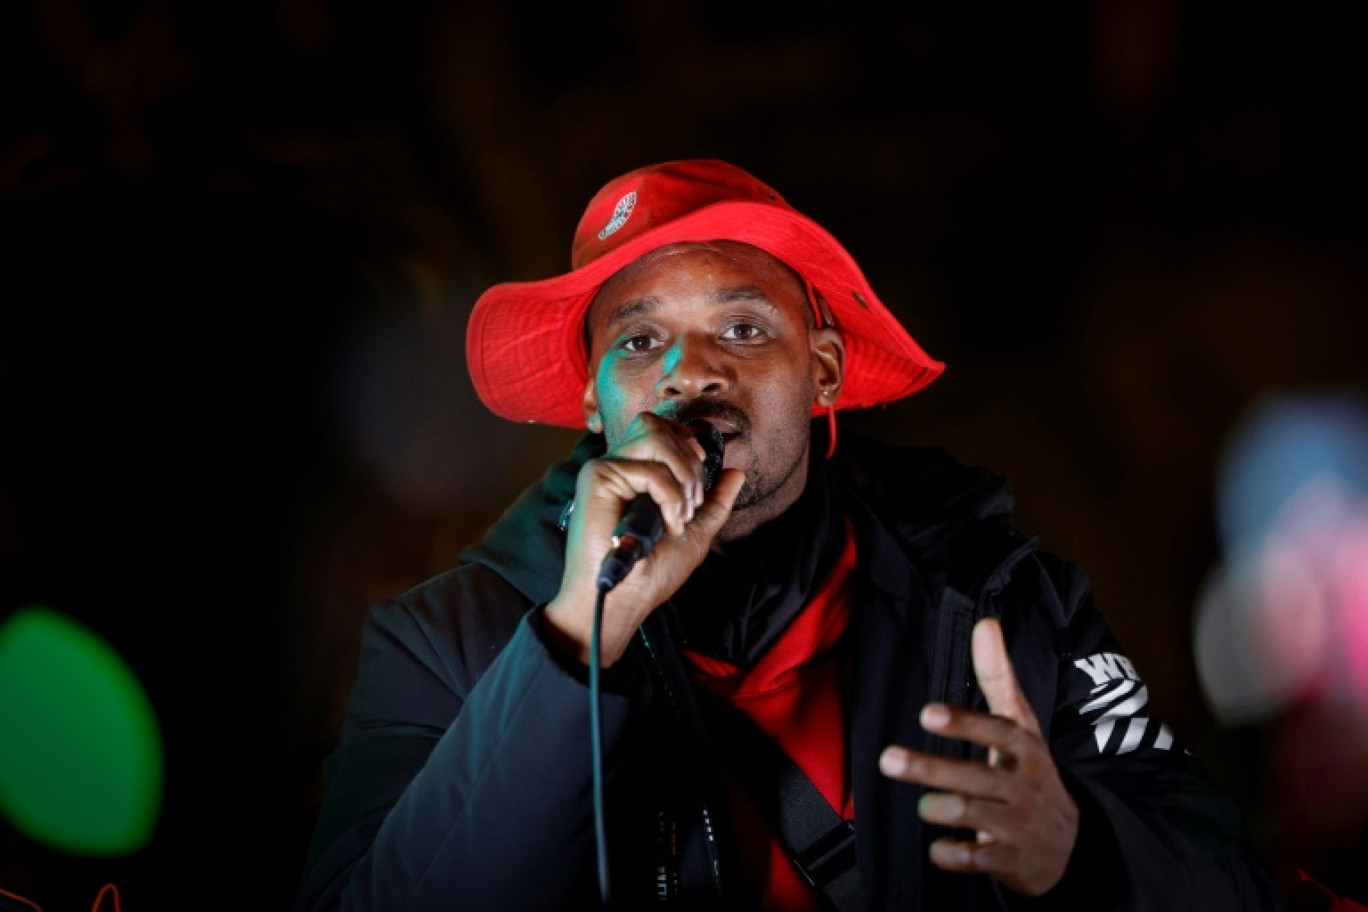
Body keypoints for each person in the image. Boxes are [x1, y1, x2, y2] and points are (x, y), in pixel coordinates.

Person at [294, 159, 1286, 910]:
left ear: (821, 373)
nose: (690, 372)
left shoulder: (997, 597)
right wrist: (578, 640)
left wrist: (1080, 849)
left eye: (743, 328)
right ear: (593, 403)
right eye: (639, 342)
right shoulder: (442, 639)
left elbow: (1234, 878)